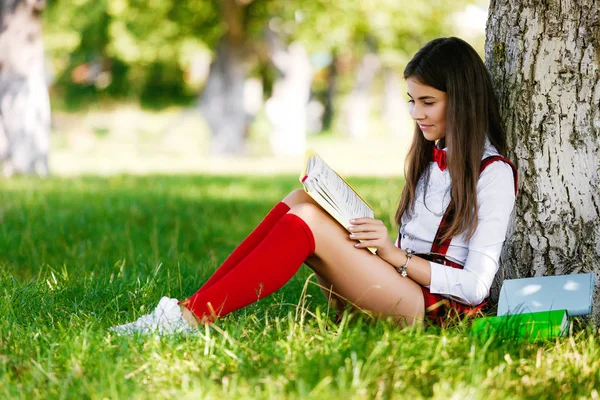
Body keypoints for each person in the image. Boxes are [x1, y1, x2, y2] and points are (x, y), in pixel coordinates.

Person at [111, 37, 517, 335]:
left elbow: (476, 285)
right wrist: (376, 242)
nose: (416, 114)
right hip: (402, 287)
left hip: (436, 313)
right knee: (301, 200)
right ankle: (187, 310)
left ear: (462, 100)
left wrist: (395, 257)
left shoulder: (493, 173)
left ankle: (188, 319)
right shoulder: (431, 155)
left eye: (427, 102)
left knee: (308, 219)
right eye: (411, 101)